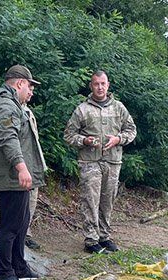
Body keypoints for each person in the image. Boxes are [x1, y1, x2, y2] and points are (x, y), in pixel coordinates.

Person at [0, 64, 46, 280]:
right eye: (29, 87)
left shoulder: (13, 104)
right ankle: (4, 273)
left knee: (22, 221)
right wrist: (21, 168)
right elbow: (8, 138)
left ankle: (19, 266)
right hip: (9, 177)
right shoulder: (5, 105)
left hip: (15, 177)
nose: (31, 92)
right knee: (10, 226)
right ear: (19, 83)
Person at [64, 70, 136, 254]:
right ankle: (91, 239)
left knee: (107, 200)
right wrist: (85, 141)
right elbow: (69, 135)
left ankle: (104, 236)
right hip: (90, 162)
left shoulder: (119, 108)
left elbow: (131, 130)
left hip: (112, 162)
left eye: (103, 83)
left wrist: (119, 139)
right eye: (96, 84)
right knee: (90, 199)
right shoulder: (82, 109)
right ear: (91, 86)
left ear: (108, 85)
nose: (100, 87)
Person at [24, 100, 47, 251]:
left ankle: (25, 234)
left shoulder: (28, 111)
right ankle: (20, 235)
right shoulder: (12, 110)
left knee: (32, 201)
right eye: (29, 89)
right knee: (20, 203)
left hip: (32, 164)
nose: (31, 93)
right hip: (21, 166)